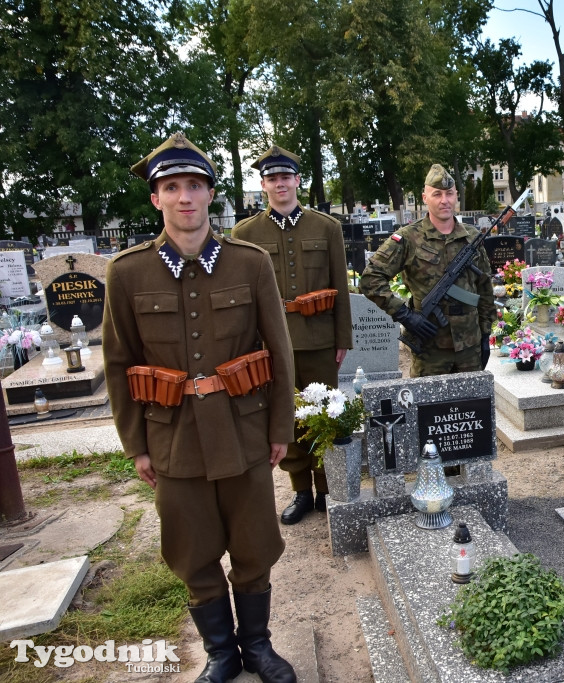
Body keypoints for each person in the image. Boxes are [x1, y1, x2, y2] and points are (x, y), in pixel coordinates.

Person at [102, 132, 297, 682]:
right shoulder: (127, 272)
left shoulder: (250, 263)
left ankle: (257, 645)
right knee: (192, 551)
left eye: (194, 186)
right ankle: (220, 652)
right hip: (174, 436)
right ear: (155, 198)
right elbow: (119, 363)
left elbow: (279, 353)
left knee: (255, 544)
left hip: (244, 431)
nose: (184, 197)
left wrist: (280, 426)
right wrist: (136, 445)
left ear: (211, 195)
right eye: (171, 187)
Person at [233, 145, 353, 525]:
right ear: (264, 184)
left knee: (324, 415)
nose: (279, 183)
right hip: (273, 342)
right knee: (286, 417)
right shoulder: (245, 233)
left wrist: (342, 339)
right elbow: (244, 296)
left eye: (286, 177)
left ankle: (328, 488)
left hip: (319, 339)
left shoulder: (326, 227)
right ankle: (301, 490)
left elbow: (340, 287)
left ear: (298, 181)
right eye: (272, 178)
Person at [359, 163, 496, 377]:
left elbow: (485, 288)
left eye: (449, 194)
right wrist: (405, 315)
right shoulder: (407, 238)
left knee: (472, 408)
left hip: (470, 348)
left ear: (456, 195)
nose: (444, 200)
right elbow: (370, 279)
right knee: (429, 409)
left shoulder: (472, 237)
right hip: (430, 350)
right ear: (425, 198)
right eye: (437, 194)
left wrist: (486, 334)